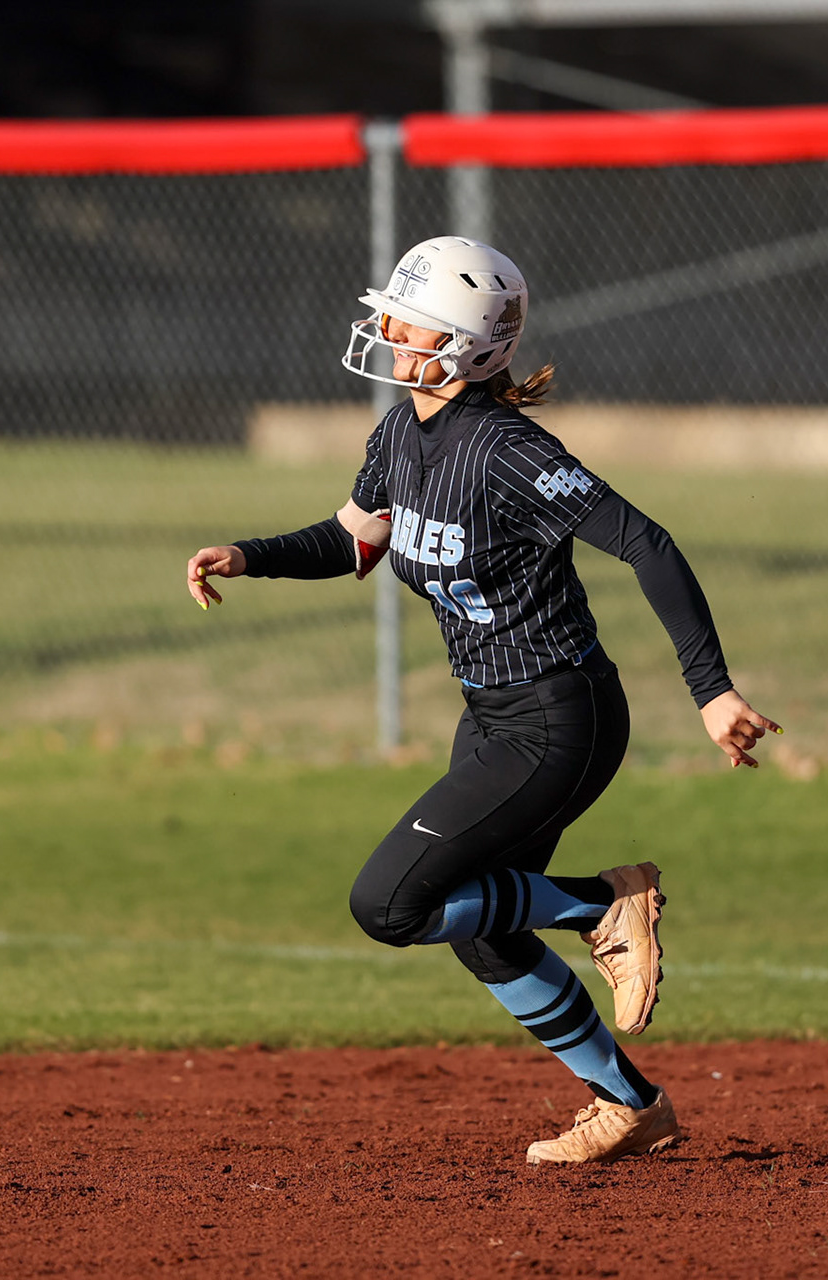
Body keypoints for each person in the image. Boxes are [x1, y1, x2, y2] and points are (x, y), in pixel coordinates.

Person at [185, 236, 779, 1165]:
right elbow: (354, 542)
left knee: (390, 906)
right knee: (484, 929)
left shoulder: (505, 449)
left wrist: (712, 692)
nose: (385, 326)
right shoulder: (398, 434)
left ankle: (600, 907)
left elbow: (649, 545)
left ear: (459, 345)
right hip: (494, 717)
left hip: (559, 717)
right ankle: (630, 1105)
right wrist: (248, 555)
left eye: (406, 316)